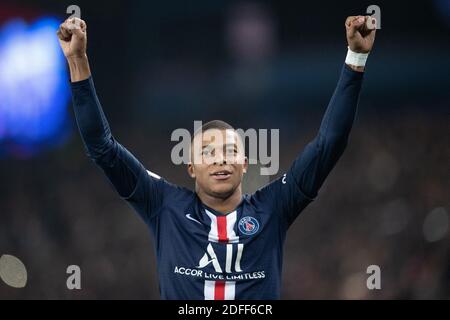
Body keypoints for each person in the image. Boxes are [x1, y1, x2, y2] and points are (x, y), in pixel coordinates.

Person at [56, 15, 376, 299]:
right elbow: (101, 146)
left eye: (230, 151)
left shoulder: (274, 206)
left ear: (245, 163)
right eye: (208, 153)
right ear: (192, 167)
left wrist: (356, 58)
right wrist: (78, 60)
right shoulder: (164, 205)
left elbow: (329, 144)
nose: (221, 160)